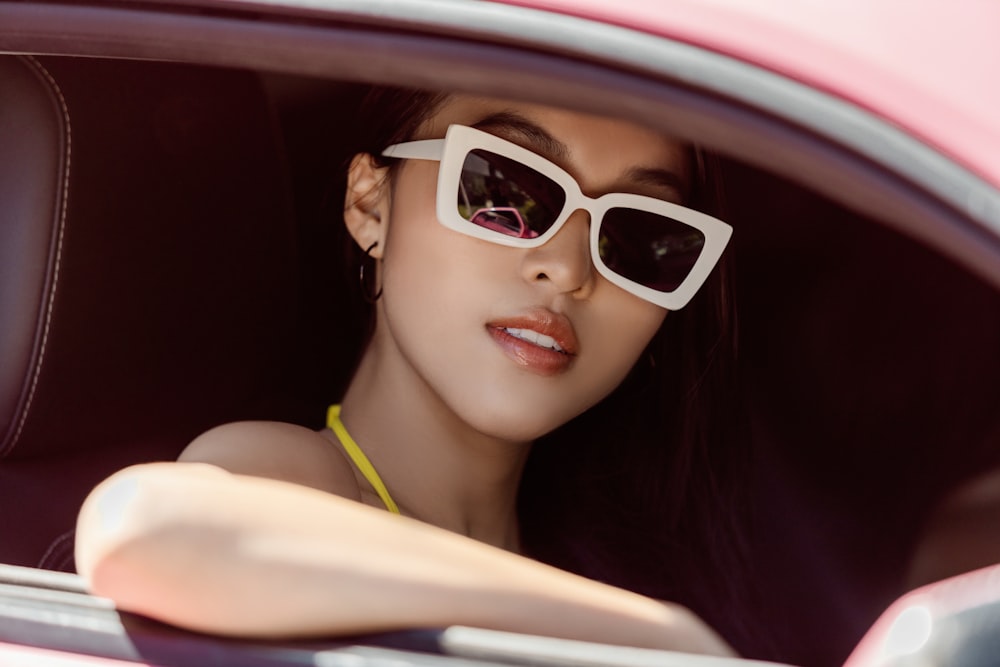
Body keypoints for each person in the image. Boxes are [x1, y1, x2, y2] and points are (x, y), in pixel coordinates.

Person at [75, 87, 749, 657]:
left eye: (636, 236)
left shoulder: (628, 556)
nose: (569, 270)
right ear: (371, 205)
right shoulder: (297, 478)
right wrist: (652, 638)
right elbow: (141, 530)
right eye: (504, 188)